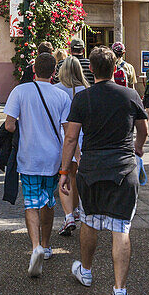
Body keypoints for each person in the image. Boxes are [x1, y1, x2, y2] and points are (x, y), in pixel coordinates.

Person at [59, 46, 149, 295]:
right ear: (114, 69)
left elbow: (71, 138)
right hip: (123, 168)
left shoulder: (82, 99)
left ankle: (85, 271)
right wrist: (138, 147)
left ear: (92, 70)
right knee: (121, 228)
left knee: (89, 221)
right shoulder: (130, 94)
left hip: (92, 169)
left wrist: (65, 171)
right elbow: (143, 129)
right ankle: (120, 291)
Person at [4, 52, 70, 277]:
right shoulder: (61, 95)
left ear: (34, 70)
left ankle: (35, 247)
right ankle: (47, 244)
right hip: (53, 157)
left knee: (31, 203)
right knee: (49, 201)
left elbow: (9, 125)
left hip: (29, 156)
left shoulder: (20, 91)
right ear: (54, 72)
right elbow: (67, 130)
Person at [54, 56, 89, 236]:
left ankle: (69, 215)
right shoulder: (86, 90)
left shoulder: (56, 90)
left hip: (63, 139)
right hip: (83, 139)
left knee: (65, 176)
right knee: (76, 177)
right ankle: (78, 211)